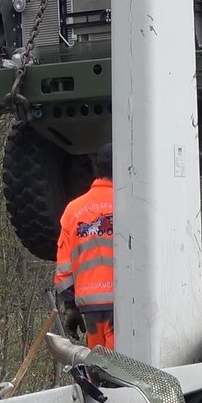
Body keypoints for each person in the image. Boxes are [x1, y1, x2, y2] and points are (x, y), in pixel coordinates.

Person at [55, 143, 116, 350]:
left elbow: (63, 268)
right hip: (125, 307)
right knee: (124, 373)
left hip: (89, 307)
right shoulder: (131, 203)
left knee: (98, 371)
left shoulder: (73, 210)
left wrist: (71, 307)